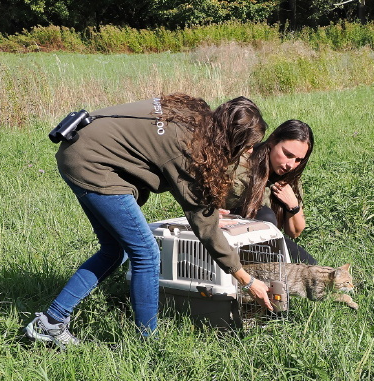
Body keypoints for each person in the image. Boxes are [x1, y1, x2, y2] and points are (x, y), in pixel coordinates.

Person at [25, 94, 272, 347]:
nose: (251, 151)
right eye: (248, 145)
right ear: (231, 139)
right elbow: (206, 228)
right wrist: (246, 279)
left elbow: (150, 153)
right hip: (92, 164)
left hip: (79, 148)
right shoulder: (190, 149)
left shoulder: (192, 113)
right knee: (146, 253)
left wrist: (204, 205)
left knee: (116, 249)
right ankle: (147, 343)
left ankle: (51, 321)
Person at [225, 119, 317, 265]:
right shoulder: (242, 165)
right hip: (231, 236)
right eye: (287, 154)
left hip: (268, 241)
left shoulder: (290, 178)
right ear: (272, 141)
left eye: (298, 159)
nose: (290, 165)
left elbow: (295, 232)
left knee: (309, 264)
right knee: (266, 216)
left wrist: (293, 205)